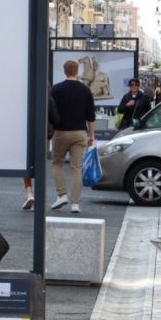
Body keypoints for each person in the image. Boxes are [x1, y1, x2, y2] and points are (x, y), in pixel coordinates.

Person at [50, 59, 96, 214]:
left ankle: (62, 195)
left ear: (65, 71)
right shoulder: (85, 90)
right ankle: (75, 203)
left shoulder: (56, 89)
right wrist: (92, 135)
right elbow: (91, 116)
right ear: (78, 72)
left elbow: (50, 111)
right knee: (77, 168)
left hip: (60, 132)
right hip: (80, 133)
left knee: (57, 163)